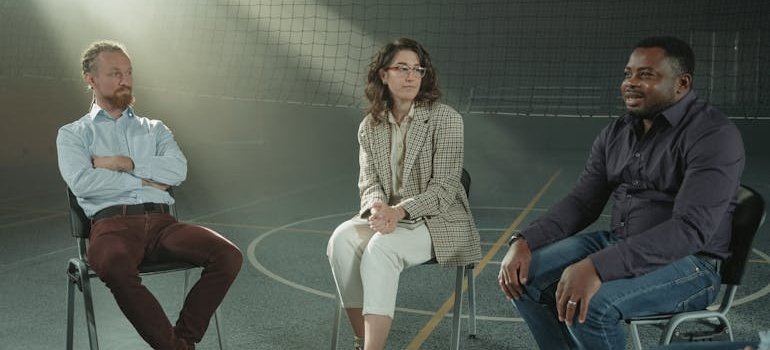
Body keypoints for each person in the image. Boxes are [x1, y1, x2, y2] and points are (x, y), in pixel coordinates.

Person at [498, 36, 745, 349]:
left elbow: (690, 230)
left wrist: (598, 266)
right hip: (621, 242)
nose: (630, 83)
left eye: (645, 75)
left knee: (592, 304)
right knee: (524, 276)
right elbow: (581, 202)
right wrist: (524, 241)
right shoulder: (617, 132)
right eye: (628, 74)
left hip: (690, 264)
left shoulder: (713, 134)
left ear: (682, 83)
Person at [57, 40, 242, 350]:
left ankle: (181, 341)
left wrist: (121, 164)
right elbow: (84, 183)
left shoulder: (155, 129)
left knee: (228, 255)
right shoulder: (73, 134)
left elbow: (178, 171)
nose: (125, 80)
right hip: (111, 228)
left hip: (163, 225)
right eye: (115, 73)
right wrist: (148, 181)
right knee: (114, 264)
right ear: (90, 79)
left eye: (128, 72)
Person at [327, 37, 481, 350]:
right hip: (389, 217)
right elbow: (368, 182)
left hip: (439, 219)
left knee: (381, 249)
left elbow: (444, 190)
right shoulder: (370, 126)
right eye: (402, 68)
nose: (411, 76)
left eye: (417, 69)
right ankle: (362, 340)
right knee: (340, 241)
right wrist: (377, 209)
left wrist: (399, 212)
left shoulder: (447, 119)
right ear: (384, 75)